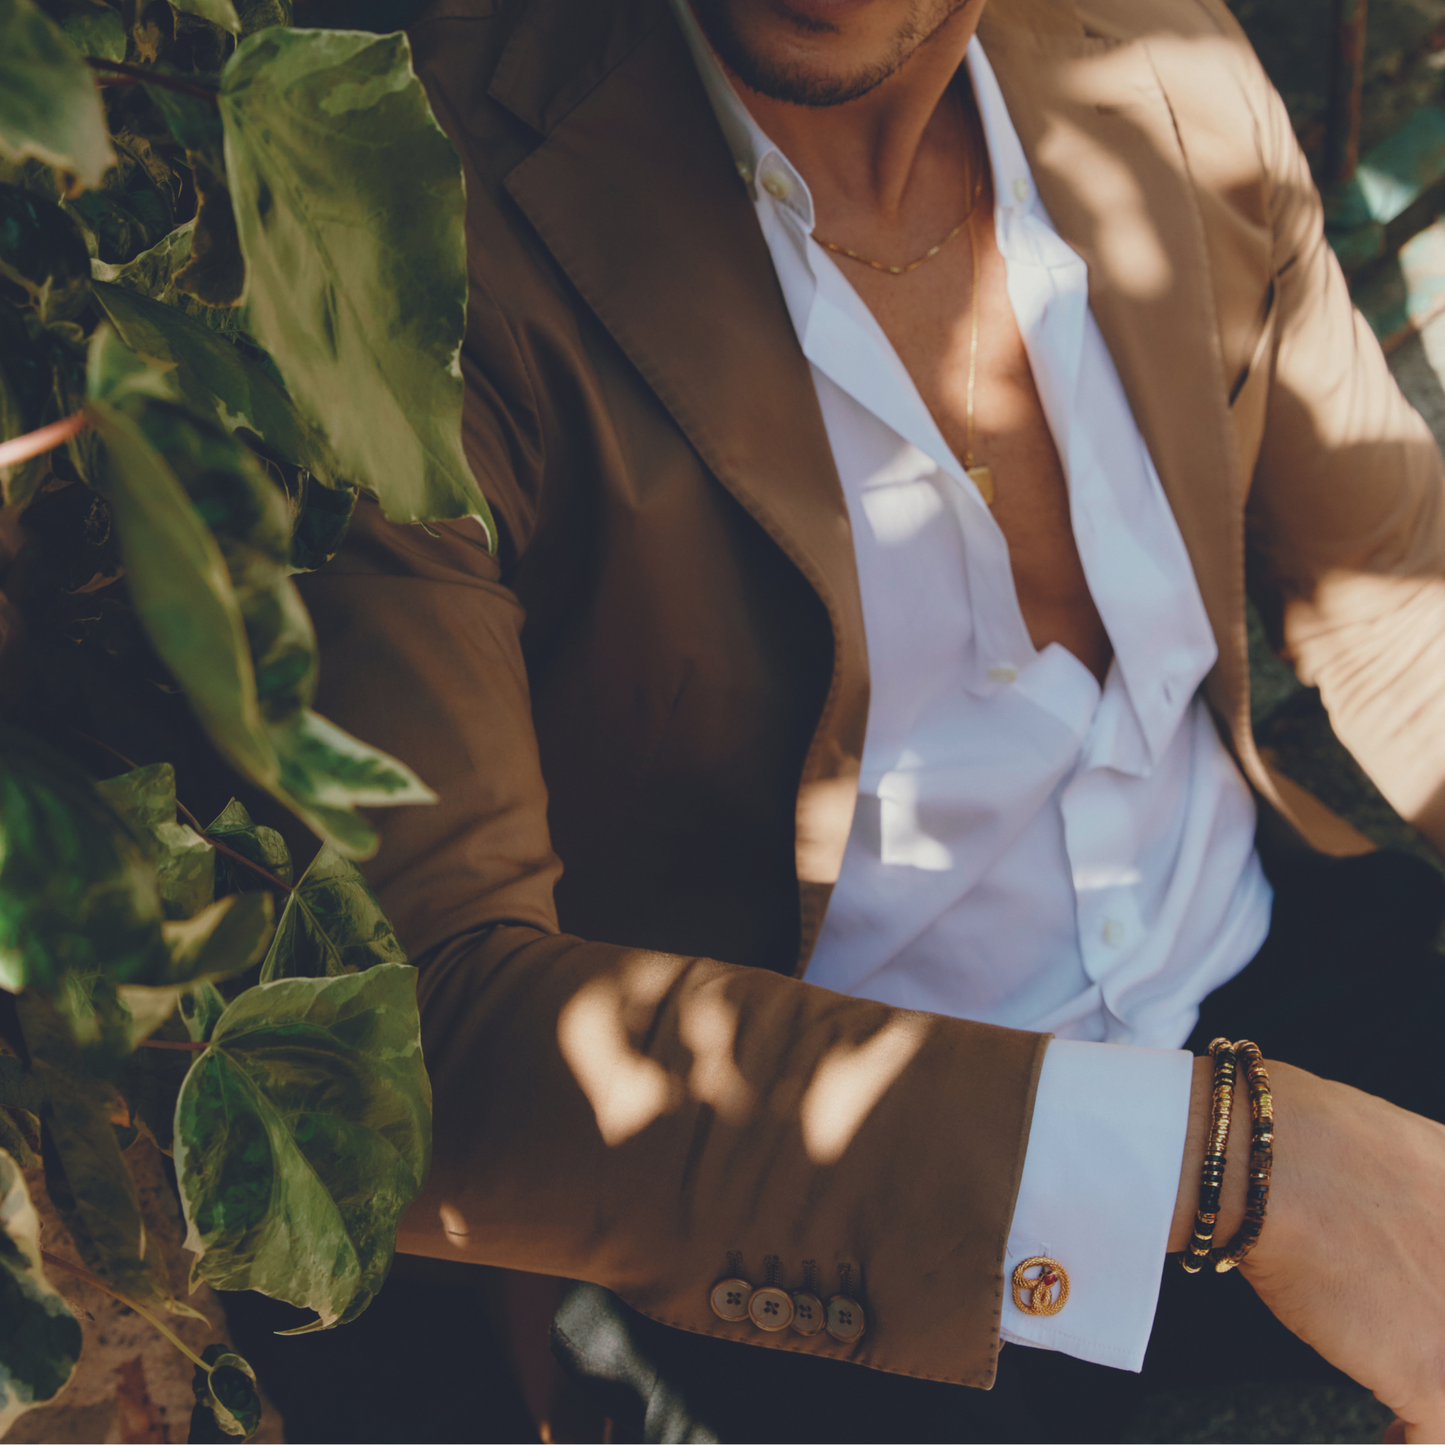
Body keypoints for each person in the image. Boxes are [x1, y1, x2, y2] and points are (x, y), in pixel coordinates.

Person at [295, 0, 1445, 1439]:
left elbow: (1404, 605)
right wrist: (1230, 1167)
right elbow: (423, 1035)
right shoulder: (405, 220)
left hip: (1271, 961)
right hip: (839, 1175)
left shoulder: (1166, 67)